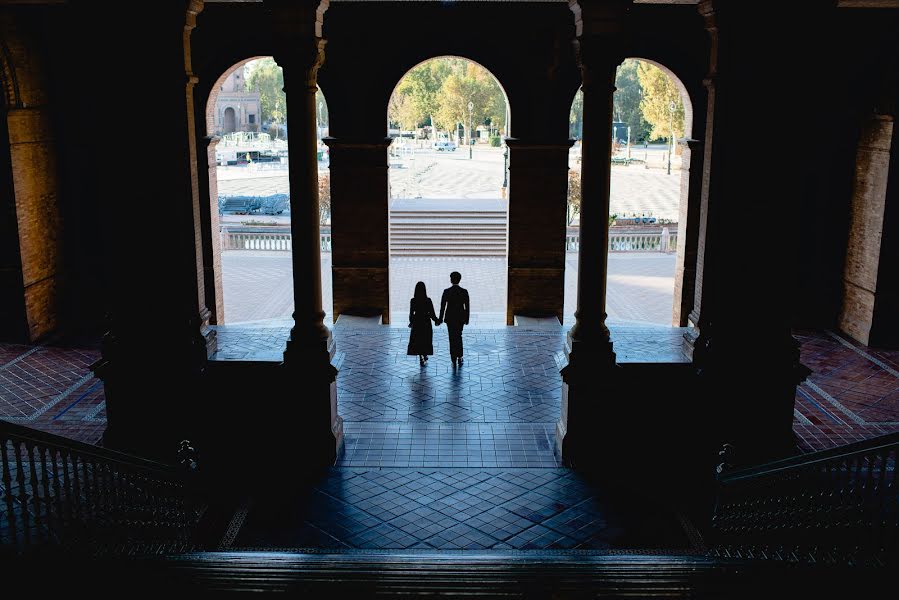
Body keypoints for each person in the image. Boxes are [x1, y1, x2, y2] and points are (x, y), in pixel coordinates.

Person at [439, 271, 469, 367]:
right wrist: (467, 318)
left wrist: (440, 319)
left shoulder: (446, 291)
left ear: (451, 280)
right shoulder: (464, 292)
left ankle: (453, 359)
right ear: (459, 280)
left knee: (451, 338)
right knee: (459, 336)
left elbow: (442, 307)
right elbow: (467, 307)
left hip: (450, 318)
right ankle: (460, 356)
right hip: (460, 318)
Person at [407, 281, 439, 366]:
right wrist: (436, 320)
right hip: (426, 322)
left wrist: (411, 322)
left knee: (418, 340)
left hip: (417, 322)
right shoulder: (428, 300)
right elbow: (432, 313)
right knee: (425, 339)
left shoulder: (413, 300)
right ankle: (424, 354)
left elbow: (411, 313)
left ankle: (421, 356)